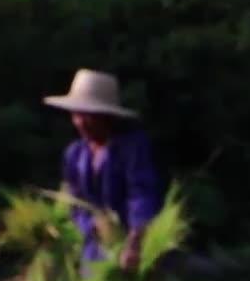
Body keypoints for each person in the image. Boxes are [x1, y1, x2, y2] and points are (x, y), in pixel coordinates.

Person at [43, 69, 166, 270]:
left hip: (132, 246)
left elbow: (141, 193)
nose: (80, 122)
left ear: (105, 116)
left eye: (88, 116)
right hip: (94, 253)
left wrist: (135, 240)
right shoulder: (75, 154)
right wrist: (93, 227)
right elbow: (76, 204)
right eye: (76, 115)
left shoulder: (132, 148)